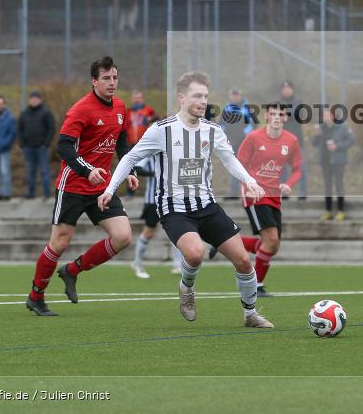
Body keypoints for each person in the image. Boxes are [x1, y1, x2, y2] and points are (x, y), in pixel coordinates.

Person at [98, 71, 274, 329]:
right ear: (181, 97)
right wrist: (111, 188)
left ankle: (250, 314)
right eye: (196, 96)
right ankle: (186, 288)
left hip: (207, 205)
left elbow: (230, 160)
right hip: (174, 208)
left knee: (244, 261)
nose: (203, 101)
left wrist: (250, 181)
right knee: (195, 254)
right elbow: (130, 157)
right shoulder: (161, 131)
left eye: (205, 96)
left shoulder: (213, 131)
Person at [25, 56, 138, 316]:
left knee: (122, 236)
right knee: (59, 243)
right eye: (106, 78)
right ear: (94, 81)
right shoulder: (81, 110)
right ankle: (36, 296)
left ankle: (72, 271)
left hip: (102, 187)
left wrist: (129, 170)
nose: (112, 83)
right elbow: (63, 145)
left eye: (115, 78)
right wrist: (88, 171)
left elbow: (122, 144)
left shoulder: (120, 107)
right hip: (74, 184)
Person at [208, 101, 302, 297]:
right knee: (271, 239)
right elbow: (237, 164)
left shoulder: (291, 140)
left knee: (272, 245)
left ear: (285, 118)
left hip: (274, 195)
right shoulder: (253, 138)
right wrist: (249, 185)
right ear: (267, 116)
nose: (277, 117)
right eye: (273, 114)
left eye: (281, 114)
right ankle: (257, 286)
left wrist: (289, 184)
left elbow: (297, 169)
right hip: (255, 193)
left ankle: (223, 241)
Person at [129, 154, 186, 278]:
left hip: (171, 199)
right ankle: (137, 263)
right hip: (152, 200)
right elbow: (137, 168)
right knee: (148, 232)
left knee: (176, 230)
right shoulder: (151, 151)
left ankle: (177, 264)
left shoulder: (174, 151)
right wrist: (154, 173)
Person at [312, 107, 354, 221]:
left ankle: (341, 211)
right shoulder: (321, 128)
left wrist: (337, 146)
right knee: (327, 186)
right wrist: (316, 135)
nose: (326, 118)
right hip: (325, 161)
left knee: (339, 185)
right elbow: (314, 144)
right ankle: (328, 211)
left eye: (328, 115)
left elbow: (351, 141)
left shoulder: (342, 127)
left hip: (338, 161)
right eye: (324, 116)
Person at [18, 90, 56, 199]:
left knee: (44, 171)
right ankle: (31, 193)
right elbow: (20, 129)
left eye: (36, 99)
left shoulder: (46, 112)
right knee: (31, 171)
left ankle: (47, 194)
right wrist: (22, 144)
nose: (34, 101)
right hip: (28, 148)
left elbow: (51, 129)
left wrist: (46, 143)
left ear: (40, 100)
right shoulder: (24, 113)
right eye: (32, 99)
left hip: (42, 148)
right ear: (29, 100)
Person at [220, 88, 257, 198]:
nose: (235, 97)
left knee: (246, 167)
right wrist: (224, 137)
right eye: (233, 95)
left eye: (237, 95)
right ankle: (234, 192)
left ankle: (249, 189)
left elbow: (253, 126)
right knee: (234, 166)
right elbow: (221, 125)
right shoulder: (227, 109)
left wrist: (245, 136)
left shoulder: (247, 109)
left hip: (245, 143)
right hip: (231, 143)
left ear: (240, 96)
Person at [124, 90, 158, 196]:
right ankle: (130, 191)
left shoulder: (149, 111)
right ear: (132, 99)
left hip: (145, 143)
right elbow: (125, 127)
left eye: (138, 97)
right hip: (131, 143)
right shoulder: (128, 112)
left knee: (140, 167)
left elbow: (156, 123)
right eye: (135, 97)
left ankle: (155, 177)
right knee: (129, 168)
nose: (137, 99)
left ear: (142, 98)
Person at [280, 80, 307, 200]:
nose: (286, 90)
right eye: (284, 88)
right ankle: (285, 192)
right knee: (282, 168)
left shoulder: (298, 102)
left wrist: (284, 113)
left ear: (292, 90)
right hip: (282, 141)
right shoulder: (279, 103)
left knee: (300, 168)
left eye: (288, 88)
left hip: (297, 141)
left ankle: (303, 192)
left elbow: (295, 114)